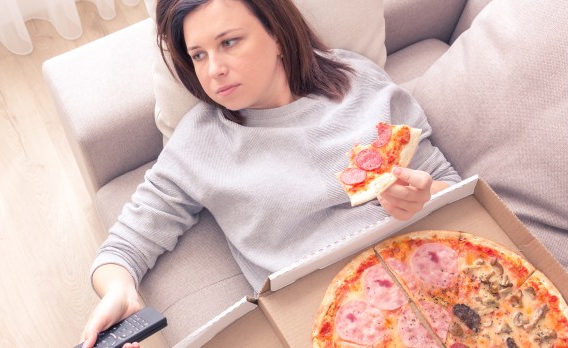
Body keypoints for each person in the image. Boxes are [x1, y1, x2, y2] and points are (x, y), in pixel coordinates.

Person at [80, 0, 462, 347]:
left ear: (277, 35)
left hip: (434, 280)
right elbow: (126, 244)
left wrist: (425, 195)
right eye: (198, 55)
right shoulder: (198, 142)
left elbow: (450, 186)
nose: (214, 70)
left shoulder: (357, 77)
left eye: (229, 42)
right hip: (329, 323)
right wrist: (118, 290)